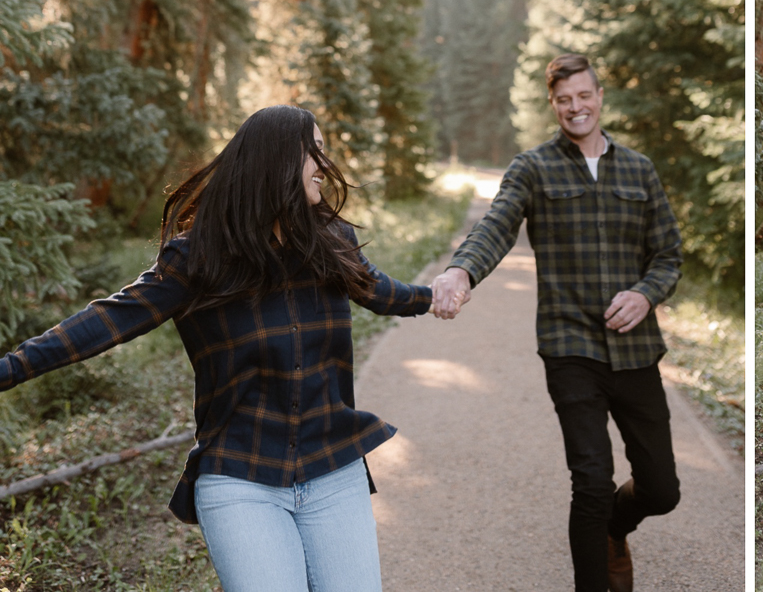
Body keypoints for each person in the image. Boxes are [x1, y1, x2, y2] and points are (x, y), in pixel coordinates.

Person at [0, 105, 431, 592]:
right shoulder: (196, 257)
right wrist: (9, 368)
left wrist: (434, 298)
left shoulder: (332, 242)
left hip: (333, 467)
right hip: (240, 477)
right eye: (317, 150)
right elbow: (104, 322)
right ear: (280, 159)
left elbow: (380, 291)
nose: (326, 165)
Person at [430, 52, 682, 592]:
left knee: (662, 490)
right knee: (591, 482)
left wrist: (645, 294)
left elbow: (668, 256)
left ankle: (615, 531)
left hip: (636, 348)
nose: (576, 108)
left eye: (584, 96)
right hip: (569, 347)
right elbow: (496, 226)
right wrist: (459, 272)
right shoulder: (533, 168)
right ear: (553, 104)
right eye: (564, 100)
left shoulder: (639, 169)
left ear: (599, 96)